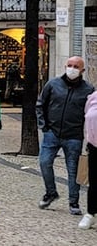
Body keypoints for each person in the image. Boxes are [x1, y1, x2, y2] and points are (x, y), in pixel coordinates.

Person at [37, 56, 94, 214]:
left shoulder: (88, 90)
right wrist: (44, 126)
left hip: (74, 136)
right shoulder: (53, 84)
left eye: (76, 66)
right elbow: (40, 104)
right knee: (44, 162)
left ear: (82, 70)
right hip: (52, 133)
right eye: (70, 65)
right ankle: (51, 193)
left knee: (73, 170)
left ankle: (74, 202)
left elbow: (92, 114)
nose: (72, 68)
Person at [80, 90, 97, 229]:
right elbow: (87, 116)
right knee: (94, 182)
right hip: (94, 146)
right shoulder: (93, 97)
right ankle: (91, 213)